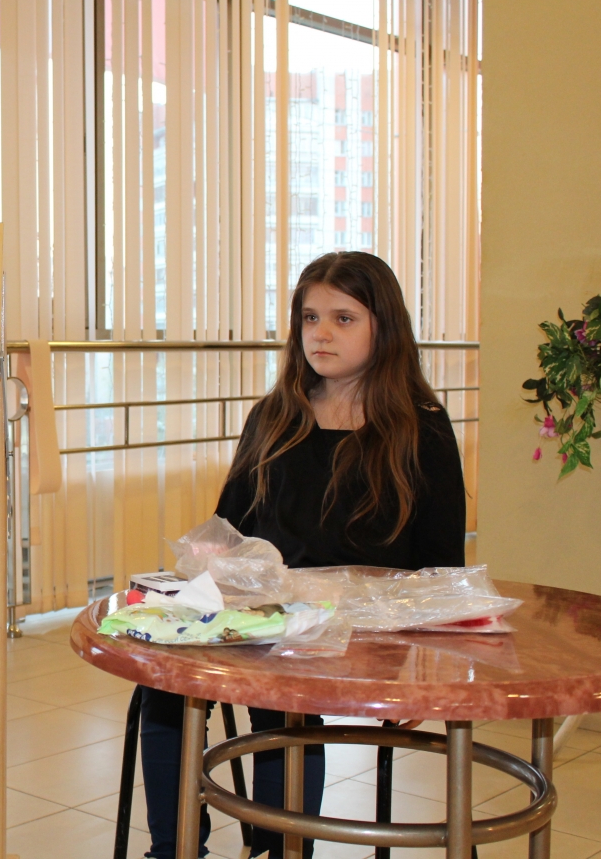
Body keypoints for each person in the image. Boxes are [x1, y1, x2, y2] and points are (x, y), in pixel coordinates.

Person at [138, 251, 467, 859]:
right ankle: (174, 849)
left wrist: (426, 672)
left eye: (344, 318)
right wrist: (196, 587)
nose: (320, 334)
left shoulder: (421, 427)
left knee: (281, 700)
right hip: (271, 614)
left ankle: (280, 848)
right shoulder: (276, 416)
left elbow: (440, 566)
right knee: (163, 687)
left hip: (368, 628)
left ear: (384, 327)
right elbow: (228, 533)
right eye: (310, 318)